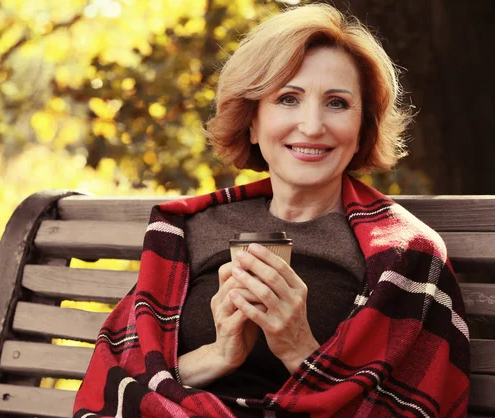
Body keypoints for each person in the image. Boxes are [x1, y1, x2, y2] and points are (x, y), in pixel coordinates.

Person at [74, 3, 469, 417]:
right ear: (252, 122)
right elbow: (116, 378)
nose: (313, 125)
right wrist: (217, 355)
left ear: (362, 129)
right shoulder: (190, 231)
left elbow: (412, 408)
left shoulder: (404, 258)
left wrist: (300, 350)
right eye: (287, 98)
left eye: (336, 103)